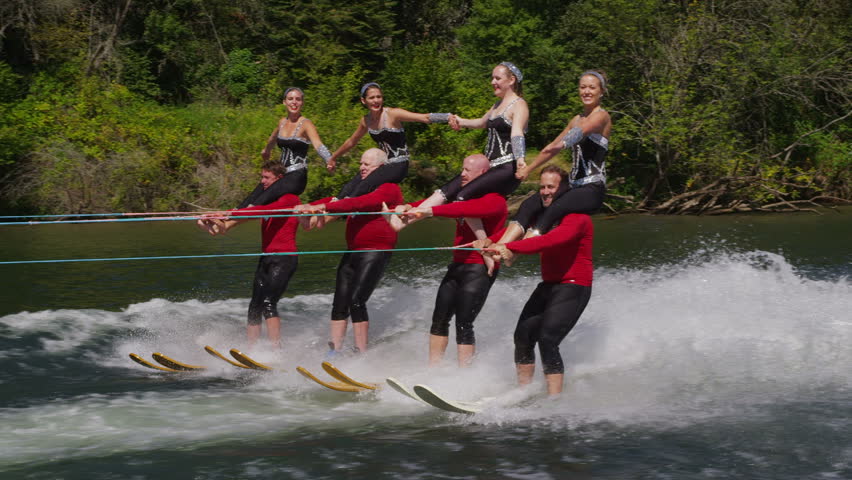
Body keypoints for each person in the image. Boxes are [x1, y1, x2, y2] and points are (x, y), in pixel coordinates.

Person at [387, 154, 508, 367]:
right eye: (462, 169)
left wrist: (426, 210)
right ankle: (434, 370)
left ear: (483, 175)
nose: (461, 174)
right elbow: (443, 203)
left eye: (467, 171)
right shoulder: (461, 195)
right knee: (439, 319)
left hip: (479, 268)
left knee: (464, 323)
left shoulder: (495, 200)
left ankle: (464, 374)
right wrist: (408, 206)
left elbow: (462, 209)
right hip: (457, 265)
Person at [388, 62, 528, 236]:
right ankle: (404, 221)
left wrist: (521, 161)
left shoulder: (519, 105)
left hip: (508, 168)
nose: (492, 82)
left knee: (462, 196)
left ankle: (482, 242)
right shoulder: (497, 105)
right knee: (446, 190)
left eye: (497, 78)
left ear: (511, 80)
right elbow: (480, 123)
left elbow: (516, 134)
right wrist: (459, 121)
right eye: (492, 78)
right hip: (491, 166)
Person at [298, 148, 404, 356]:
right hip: (353, 251)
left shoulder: (389, 188)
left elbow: (361, 203)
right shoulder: (357, 189)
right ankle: (334, 351)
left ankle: (360, 352)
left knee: (357, 301)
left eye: (367, 165)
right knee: (340, 301)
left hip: (376, 251)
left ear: (381, 168)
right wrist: (306, 208)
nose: (362, 168)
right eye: (361, 164)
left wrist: (326, 206)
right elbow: (338, 203)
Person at [482, 204, 594, 396]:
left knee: (548, 339)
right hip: (549, 284)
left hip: (574, 285)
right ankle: (524, 393)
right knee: (523, 336)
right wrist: (488, 241)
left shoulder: (577, 218)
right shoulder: (544, 217)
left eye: (551, 188)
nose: (545, 192)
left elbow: (548, 241)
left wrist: (508, 246)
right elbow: (518, 231)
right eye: (542, 187)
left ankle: (554, 400)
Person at [197, 161, 301, 348]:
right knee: (255, 305)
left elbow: (264, 210)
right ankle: (251, 349)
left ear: (279, 179)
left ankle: (276, 351)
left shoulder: (290, 198)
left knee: (269, 303)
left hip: (284, 259)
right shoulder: (266, 200)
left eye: (266, 178)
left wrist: (230, 212)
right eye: (262, 177)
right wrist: (212, 221)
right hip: (266, 258)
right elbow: (226, 228)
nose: (262, 182)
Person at [513, 70, 612, 236]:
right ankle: (502, 245)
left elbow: (581, 131)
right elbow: (551, 147)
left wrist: (564, 143)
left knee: (554, 209)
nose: (586, 91)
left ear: (601, 91)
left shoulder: (602, 116)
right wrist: (527, 169)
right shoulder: (575, 119)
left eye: (592, 88)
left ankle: (515, 251)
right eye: (583, 87)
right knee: (529, 205)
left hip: (592, 189)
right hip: (573, 187)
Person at [327, 82, 451, 199]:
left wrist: (448, 117)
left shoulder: (393, 114)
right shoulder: (366, 120)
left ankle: (350, 205)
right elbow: (351, 141)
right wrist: (333, 158)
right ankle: (332, 207)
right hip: (383, 165)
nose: (376, 101)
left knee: (362, 187)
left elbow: (424, 117)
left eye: (379, 97)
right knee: (349, 187)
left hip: (399, 165)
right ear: (363, 101)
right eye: (371, 98)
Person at [237, 87, 333, 209]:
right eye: (290, 99)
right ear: (284, 102)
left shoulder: (306, 124)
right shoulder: (282, 122)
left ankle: (244, 213)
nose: (294, 102)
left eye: (298, 99)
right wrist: (266, 150)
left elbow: (318, 145)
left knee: (263, 197)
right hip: (281, 174)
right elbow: (272, 139)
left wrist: (329, 159)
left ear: (302, 103)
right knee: (257, 191)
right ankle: (233, 213)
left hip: (297, 177)